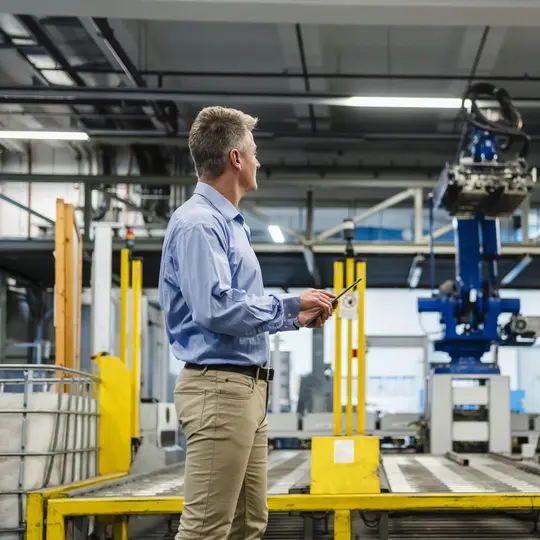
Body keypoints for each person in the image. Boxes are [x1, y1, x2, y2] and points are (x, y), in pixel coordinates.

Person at [158, 105, 335, 540]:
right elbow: (215, 309)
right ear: (235, 158)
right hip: (220, 390)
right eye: (254, 152)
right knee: (206, 530)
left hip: (247, 390)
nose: (259, 161)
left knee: (247, 525)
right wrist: (290, 305)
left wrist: (295, 319)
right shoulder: (200, 224)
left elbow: (236, 309)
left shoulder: (232, 226)